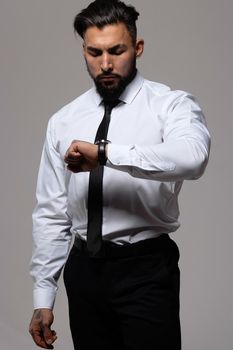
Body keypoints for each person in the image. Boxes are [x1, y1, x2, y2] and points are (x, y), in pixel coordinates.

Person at [29, 0, 210, 349]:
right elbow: (51, 212)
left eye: (117, 50)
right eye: (95, 53)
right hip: (83, 270)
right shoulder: (64, 119)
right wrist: (43, 295)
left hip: (146, 269)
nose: (106, 64)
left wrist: (106, 154)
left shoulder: (171, 105)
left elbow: (192, 158)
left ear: (137, 48)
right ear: (83, 51)